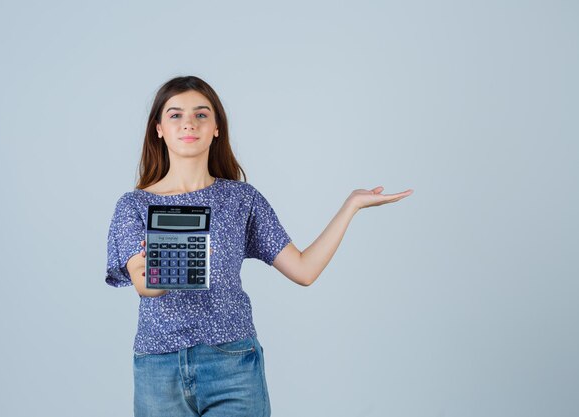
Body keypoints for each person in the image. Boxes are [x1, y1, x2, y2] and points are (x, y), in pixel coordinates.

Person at [105, 75, 413, 417]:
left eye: (201, 114)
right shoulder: (133, 206)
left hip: (232, 365)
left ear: (217, 127)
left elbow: (304, 270)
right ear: (158, 128)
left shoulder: (242, 199)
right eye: (175, 115)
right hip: (157, 368)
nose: (188, 123)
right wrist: (180, 253)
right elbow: (144, 284)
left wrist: (350, 206)